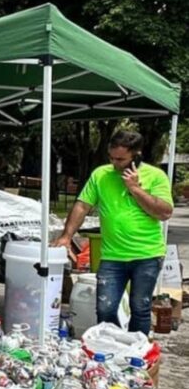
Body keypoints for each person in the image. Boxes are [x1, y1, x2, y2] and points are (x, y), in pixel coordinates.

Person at [53, 130, 173, 334]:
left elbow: (164, 213)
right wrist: (66, 236)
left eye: (121, 159)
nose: (115, 163)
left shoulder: (155, 176)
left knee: (140, 308)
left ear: (136, 155)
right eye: (112, 157)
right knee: (105, 308)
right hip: (112, 256)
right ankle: (112, 347)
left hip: (147, 255)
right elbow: (82, 206)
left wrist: (135, 188)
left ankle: (136, 351)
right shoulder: (101, 174)